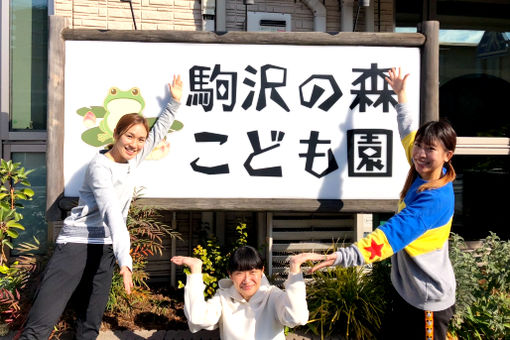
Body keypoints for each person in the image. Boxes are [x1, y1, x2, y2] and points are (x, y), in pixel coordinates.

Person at [20, 75, 183, 340]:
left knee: (90, 324)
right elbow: (112, 215)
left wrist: (174, 103)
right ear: (117, 134)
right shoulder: (99, 167)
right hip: (77, 244)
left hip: (105, 248)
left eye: (140, 139)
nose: (135, 144)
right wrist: (126, 261)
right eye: (129, 136)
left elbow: (158, 132)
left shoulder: (135, 156)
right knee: (40, 325)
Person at [308, 67, 457, 340]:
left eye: (430, 149)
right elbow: (408, 131)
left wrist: (342, 257)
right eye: (420, 146)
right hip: (406, 292)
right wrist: (401, 95)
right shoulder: (423, 169)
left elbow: (391, 235)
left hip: (427, 301)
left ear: (448, 155)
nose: (420, 154)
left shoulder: (434, 200)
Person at [171, 246, 322, 340]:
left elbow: (297, 317)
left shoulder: (272, 295)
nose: (247, 280)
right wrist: (196, 271)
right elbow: (198, 318)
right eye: (239, 273)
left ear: (262, 271)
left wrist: (295, 269)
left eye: (252, 272)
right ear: (230, 274)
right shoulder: (223, 297)